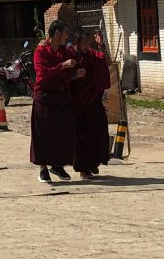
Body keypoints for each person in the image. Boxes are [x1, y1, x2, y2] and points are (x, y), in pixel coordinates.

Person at [30, 20, 81, 183]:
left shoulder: (63, 51)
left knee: (63, 132)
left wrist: (75, 74)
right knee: (43, 134)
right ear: (57, 34)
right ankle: (43, 168)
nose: (67, 38)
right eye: (66, 34)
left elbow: (72, 62)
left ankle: (58, 165)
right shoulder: (41, 51)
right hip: (44, 97)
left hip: (60, 97)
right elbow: (43, 75)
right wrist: (62, 66)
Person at [71, 30, 111, 180]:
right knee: (83, 136)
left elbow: (107, 61)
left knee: (99, 131)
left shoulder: (92, 55)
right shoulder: (71, 56)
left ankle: (94, 162)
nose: (87, 46)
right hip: (79, 102)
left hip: (94, 99)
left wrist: (102, 46)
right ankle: (83, 169)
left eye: (89, 43)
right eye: (85, 43)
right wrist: (75, 75)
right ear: (77, 43)